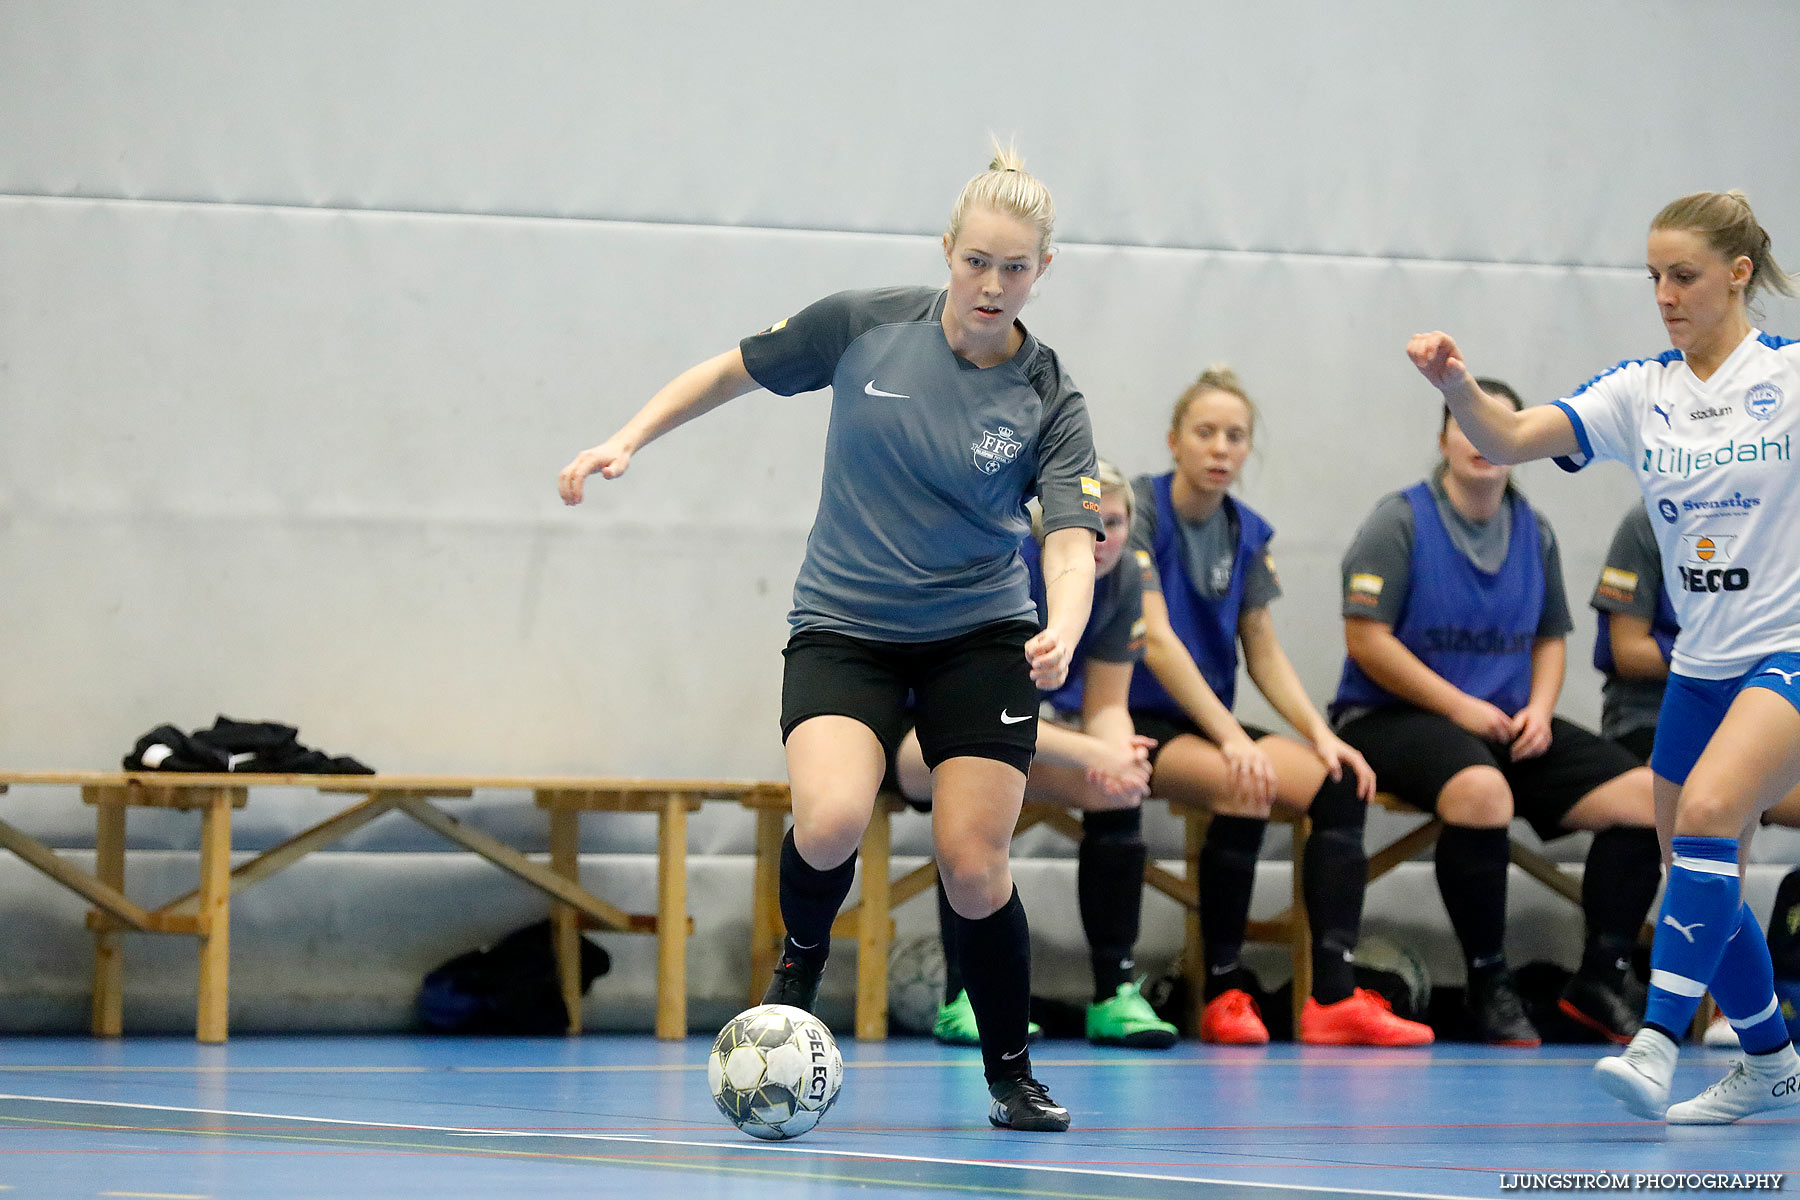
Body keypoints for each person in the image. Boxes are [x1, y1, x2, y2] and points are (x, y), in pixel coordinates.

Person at [558, 145, 1099, 1132]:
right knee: (833, 820)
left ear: (1042, 274)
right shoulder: (862, 326)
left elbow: (1069, 537)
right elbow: (731, 371)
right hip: (844, 627)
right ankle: (799, 963)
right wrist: (628, 436)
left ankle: (1010, 1072)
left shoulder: (1049, 393)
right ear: (947, 252)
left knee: (973, 863)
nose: (991, 284)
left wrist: (1063, 624)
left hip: (980, 636)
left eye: (1014, 268)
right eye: (976, 260)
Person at [1407, 189, 1800, 1123]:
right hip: (1699, 670)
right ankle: (1774, 1060)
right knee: (1699, 865)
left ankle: (1658, 1040)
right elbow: (1507, 437)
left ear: (1738, 275)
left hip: (1784, 654)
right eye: (1654, 276)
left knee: (1706, 816)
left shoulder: (1789, 377)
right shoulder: (1641, 392)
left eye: (1685, 275)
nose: (1664, 293)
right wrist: (1459, 387)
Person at [1331, 379, 1662, 1048]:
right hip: (1388, 717)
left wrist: (1540, 710)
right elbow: (1366, 639)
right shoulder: (1400, 520)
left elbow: (1549, 638)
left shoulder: (1533, 531)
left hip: (1505, 723)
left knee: (1651, 800)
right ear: (1445, 438)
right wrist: (1461, 706)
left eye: (1498, 429)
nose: (1482, 441)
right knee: (1483, 791)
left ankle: (1601, 975)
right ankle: (1489, 982)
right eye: (1467, 424)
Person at [1128, 366, 1435, 1047]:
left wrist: (1323, 736)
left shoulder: (1246, 533)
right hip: (1129, 715)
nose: (1220, 448)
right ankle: (1225, 989)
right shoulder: (1142, 511)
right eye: (1205, 433)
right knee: (1242, 778)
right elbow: (1156, 642)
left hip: (1206, 721)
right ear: (1174, 441)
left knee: (1338, 781)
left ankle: (1331, 996)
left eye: (1235, 436)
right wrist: (1230, 738)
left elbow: (1263, 653)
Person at [892, 462, 1178, 1049]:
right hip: (923, 738)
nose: (1103, 539)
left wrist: (1118, 753)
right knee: (980, 771)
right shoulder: (1009, 567)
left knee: (1115, 787)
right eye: (1089, 523)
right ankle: (965, 995)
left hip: (1018, 741)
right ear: (1051, 527)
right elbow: (983, 717)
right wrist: (1096, 750)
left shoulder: (1121, 580)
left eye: (1117, 523)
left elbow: (1106, 702)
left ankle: (1114, 993)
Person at [1589, 502, 1800, 1048]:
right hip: (1654, 714)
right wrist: (1718, 655)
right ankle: (1721, 1020)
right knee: (1707, 821)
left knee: (1724, 810)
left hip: (1763, 708)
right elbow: (1627, 649)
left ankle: (1748, 1033)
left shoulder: (1779, 520)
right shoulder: (1649, 519)